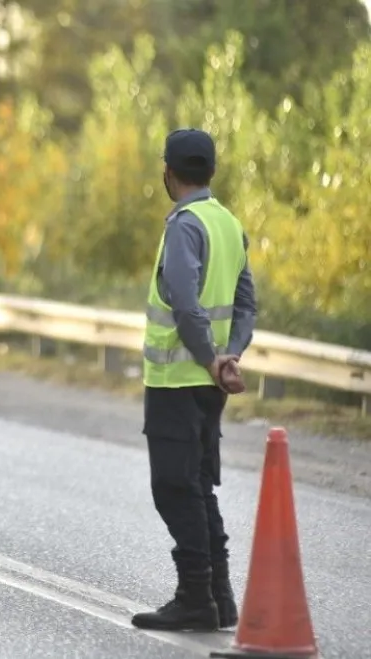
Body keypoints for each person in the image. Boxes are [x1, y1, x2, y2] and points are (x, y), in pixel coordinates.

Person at [130, 128, 258, 632]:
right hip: (209, 383)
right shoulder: (228, 222)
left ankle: (194, 598)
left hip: (178, 381)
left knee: (174, 487)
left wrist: (209, 358)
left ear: (168, 172)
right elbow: (245, 303)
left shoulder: (185, 225)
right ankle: (219, 598)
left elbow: (184, 303)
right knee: (198, 485)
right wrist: (230, 357)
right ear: (211, 172)